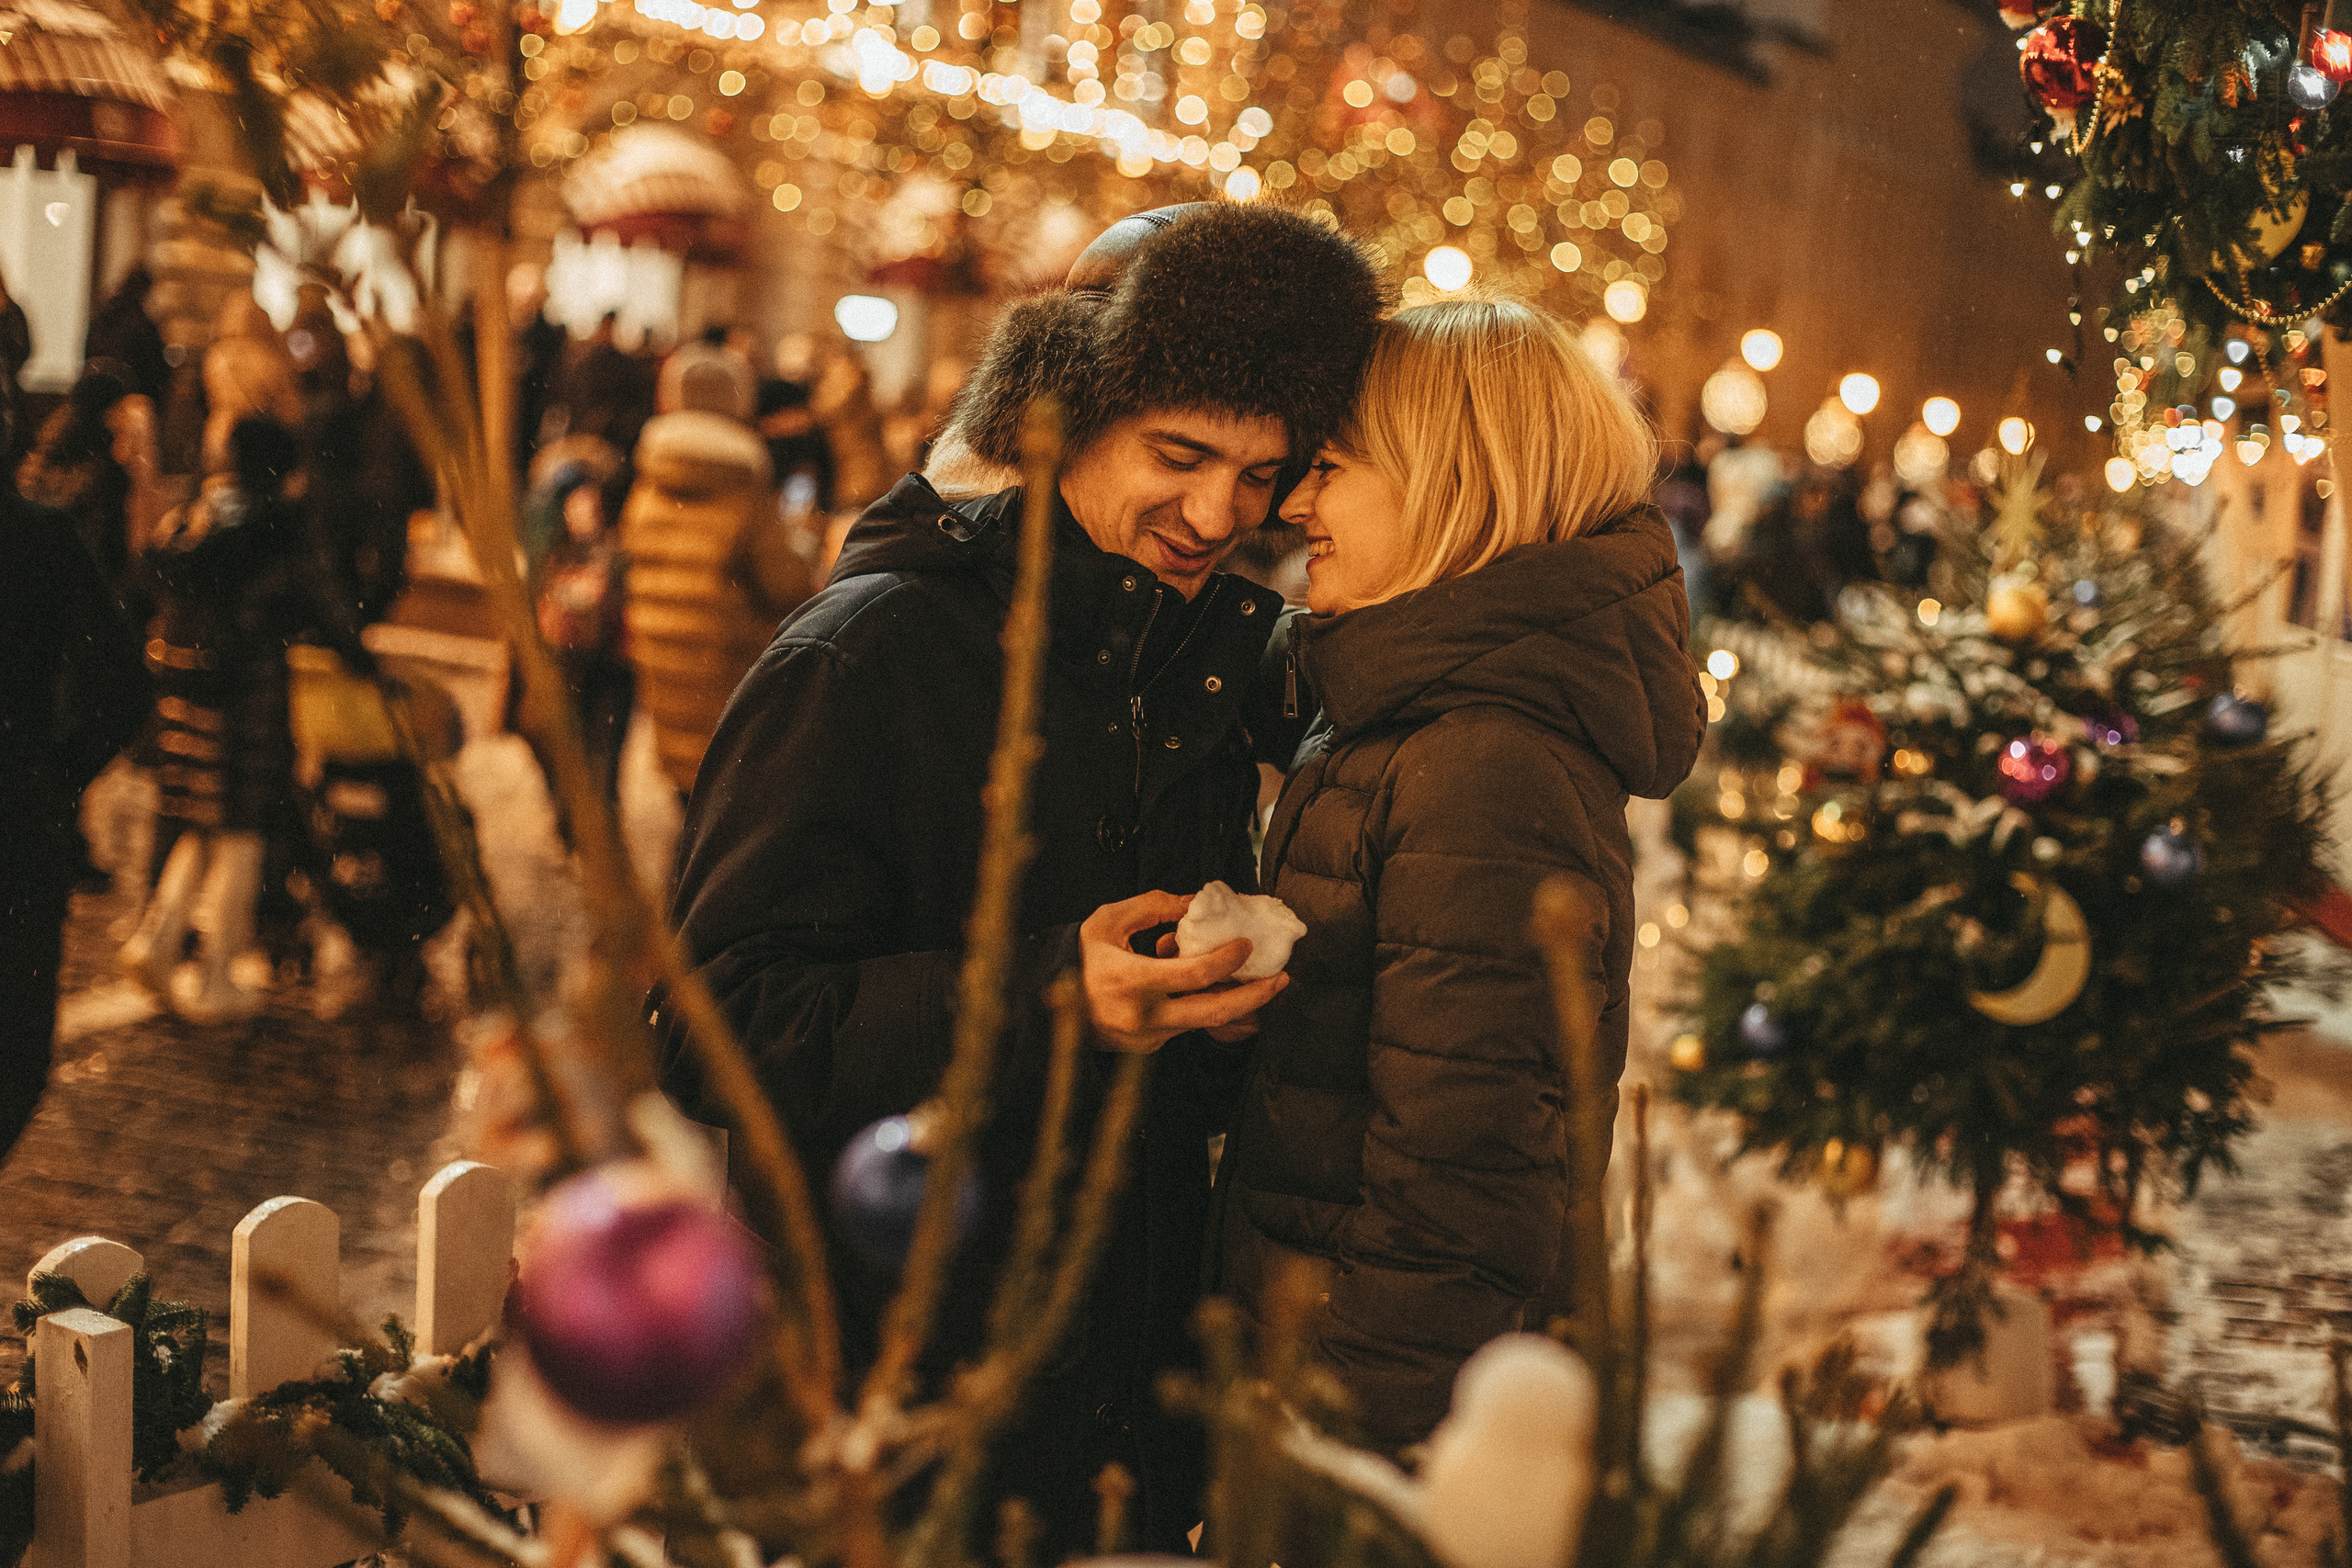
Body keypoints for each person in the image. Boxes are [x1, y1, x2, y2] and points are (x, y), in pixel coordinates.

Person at [656, 202, 1384, 1556]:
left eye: (1260, 473)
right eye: (1180, 454)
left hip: (1120, 1408)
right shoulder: (869, 652)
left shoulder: (1191, 665)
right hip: (910, 1401)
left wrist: (1214, 1014)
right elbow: (719, 1023)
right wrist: (1054, 995)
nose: (1220, 514)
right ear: (1058, 415)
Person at [1206, 299, 1707, 1454]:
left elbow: (1460, 1203)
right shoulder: (1404, 702)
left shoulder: (1483, 766)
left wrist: (1329, 1474)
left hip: (1371, 1431)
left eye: (1329, 467)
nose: (1295, 506)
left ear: (1449, 481)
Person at [120, 417, 316, 1023]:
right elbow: (311, 601)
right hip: (243, 691)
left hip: (185, 685)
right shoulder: (273, 525)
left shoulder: (202, 510)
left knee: (199, 821)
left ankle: (157, 939)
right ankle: (216, 972)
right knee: (241, 830)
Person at [0, 380, 150, 1158]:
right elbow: (123, 685)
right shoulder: (42, 538)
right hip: (18, 819)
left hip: (24, 814)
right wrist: (52, 773)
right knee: (13, 1050)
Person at [617, 341, 807, 801]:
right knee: (718, 808)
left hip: (664, 670)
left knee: (688, 801)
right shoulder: (744, 489)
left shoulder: (649, 481)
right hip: (725, 672)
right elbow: (786, 586)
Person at [85, 266, 174, 408]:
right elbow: (154, 365)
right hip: (125, 399)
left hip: (93, 393)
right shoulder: (139, 322)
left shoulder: (104, 314)